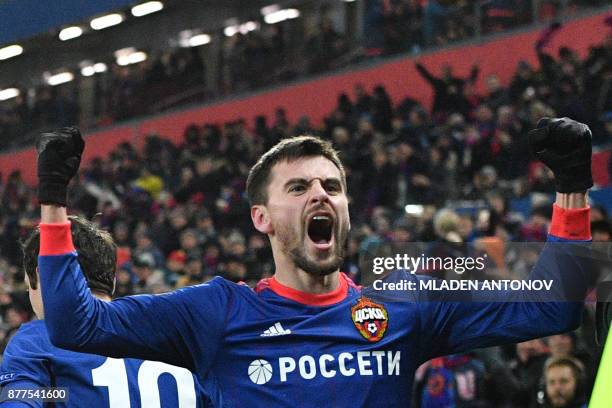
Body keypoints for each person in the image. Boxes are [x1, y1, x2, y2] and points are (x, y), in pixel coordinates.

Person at [36, 118, 593, 407]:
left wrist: (572, 189)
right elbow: (74, 323)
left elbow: (556, 308)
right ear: (262, 218)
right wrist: (54, 206)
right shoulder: (215, 312)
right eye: (299, 187)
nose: (320, 195)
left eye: (332, 186)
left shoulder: (402, 299)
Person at [0, 216, 207, 407]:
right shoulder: (184, 339)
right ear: (113, 282)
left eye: (29, 287)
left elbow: (20, 399)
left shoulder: (38, 339)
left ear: (45, 275)